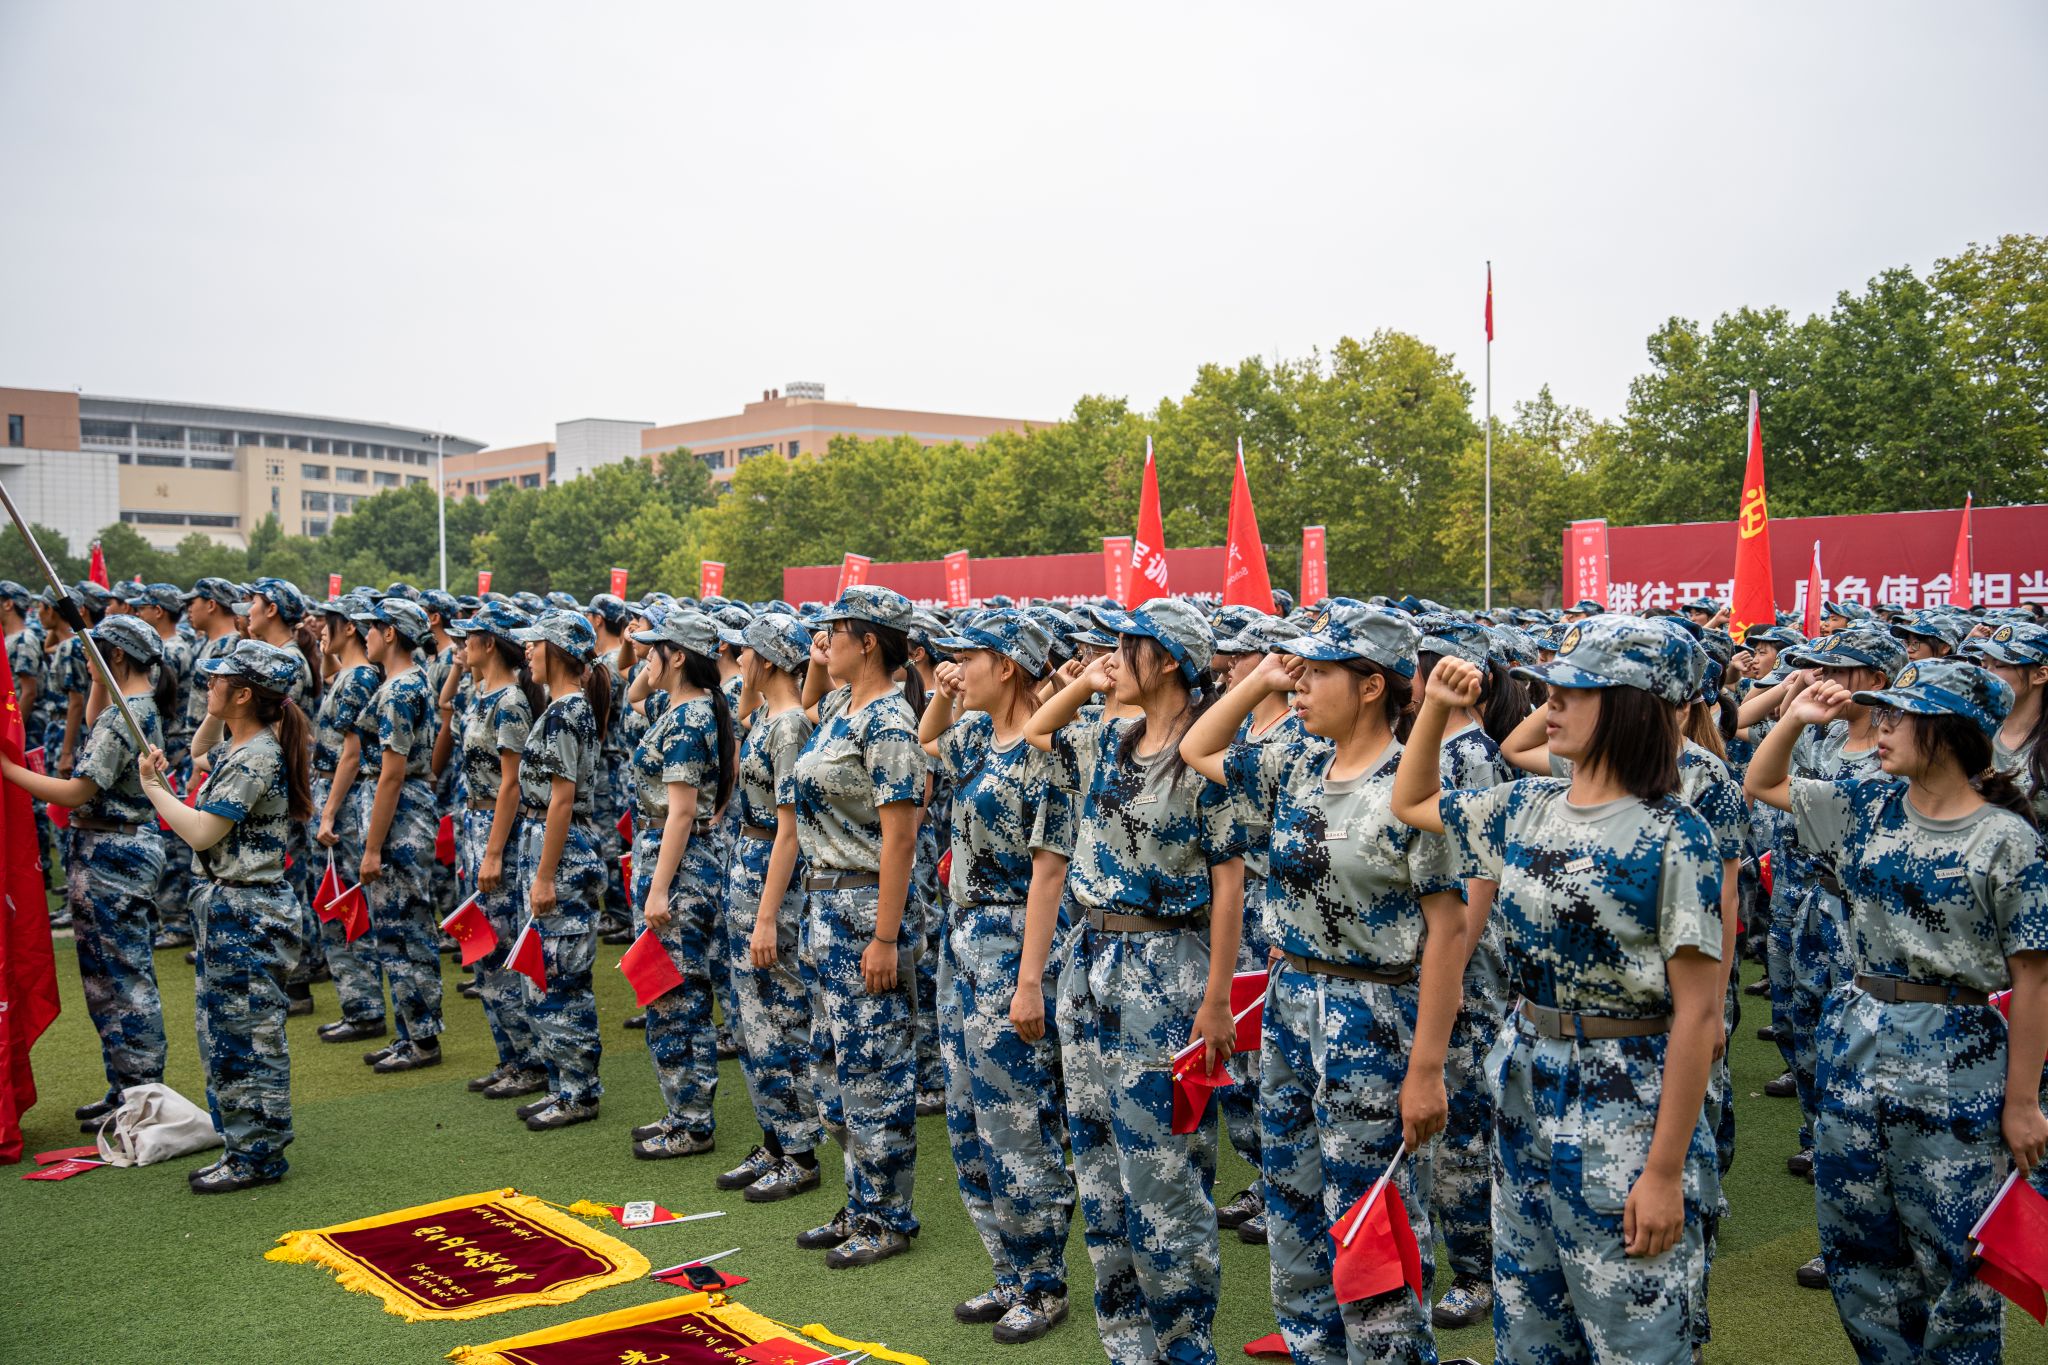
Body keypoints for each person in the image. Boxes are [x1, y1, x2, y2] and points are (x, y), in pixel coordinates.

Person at [1391, 614, 1724, 1365]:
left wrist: (1664, 1172)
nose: (1552, 703)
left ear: (1631, 706)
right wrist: (1435, 707)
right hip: (1529, 1082)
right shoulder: (1529, 805)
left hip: (1627, 1096)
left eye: (1575, 691)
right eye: (1549, 689)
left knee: (1637, 1333)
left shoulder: (1676, 835)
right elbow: (1412, 802)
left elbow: (1698, 1015)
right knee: (1530, 1326)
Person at [1183, 599, 1465, 1365]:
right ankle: (1313, 1349)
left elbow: (1448, 931)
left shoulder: (1412, 783)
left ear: (1371, 685)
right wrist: (1260, 679)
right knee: (1294, 1198)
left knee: (1371, 1214)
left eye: (1317, 672)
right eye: (1296, 671)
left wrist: (1427, 1068)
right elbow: (1200, 746)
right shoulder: (1298, 762)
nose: (1299, 686)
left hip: (1375, 1013)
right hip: (1291, 1000)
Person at [1744, 657, 2048, 1363]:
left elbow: (2035, 980)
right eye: (1881, 713)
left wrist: (2023, 1102)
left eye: (1900, 716)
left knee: (1956, 1261)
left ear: (1950, 730)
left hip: (1957, 1056)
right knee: (1857, 1249)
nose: (1881, 727)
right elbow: (1763, 781)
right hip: (1857, 1042)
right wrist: (1795, 717)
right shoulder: (1866, 805)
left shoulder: (2006, 839)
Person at [1024, 597, 1245, 1365]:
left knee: (1164, 1178)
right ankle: (1127, 1345)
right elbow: (1038, 730)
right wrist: (1089, 681)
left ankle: (1185, 1346)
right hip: (1090, 962)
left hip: (1166, 968)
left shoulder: (1205, 753)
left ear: (1173, 661)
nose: (1114, 656)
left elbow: (1228, 885)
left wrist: (1216, 999)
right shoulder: (1108, 738)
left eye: (1131, 645)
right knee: (1099, 1168)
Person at [919, 608, 1076, 1345]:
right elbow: (928, 743)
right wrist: (944, 692)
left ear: (1008, 665)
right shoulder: (977, 735)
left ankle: (1043, 1280)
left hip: (1014, 939)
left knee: (1017, 1119)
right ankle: (1009, 1269)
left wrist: (1030, 979)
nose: (956, 667)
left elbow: (1049, 872)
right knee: (967, 1117)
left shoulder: (1049, 750)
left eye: (969, 658)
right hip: (963, 939)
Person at [137, 639, 312, 1193]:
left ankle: (258, 1154)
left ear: (243, 695)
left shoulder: (257, 754)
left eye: (219, 681)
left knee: (248, 1038)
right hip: (230, 905)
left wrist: (152, 788)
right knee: (223, 1032)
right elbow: (199, 751)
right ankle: (242, 1143)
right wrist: (217, 714)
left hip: (248, 911)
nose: (207, 684)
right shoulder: (243, 745)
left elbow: (200, 831)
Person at [789, 586, 929, 1269]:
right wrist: (822, 658)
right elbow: (810, 693)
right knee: (833, 1068)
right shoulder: (845, 705)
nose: (823, 641)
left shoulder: (890, 723)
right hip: (824, 903)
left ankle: (885, 1214)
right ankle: (860, 1197)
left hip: (866, 906)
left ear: (868, 640)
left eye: (835, 630)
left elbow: (901, 838)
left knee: (874, 1069)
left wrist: (886, 936)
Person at [0, 616, 171, 1130]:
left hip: (113, 851)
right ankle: (124, 1088)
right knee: (104, 979)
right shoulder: (128, 707)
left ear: (116, 656)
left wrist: (8, 770)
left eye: (95, 652)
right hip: (108, 846)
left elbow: (78, 791)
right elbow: (96, 717)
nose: (85, 660)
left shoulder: (128, 714)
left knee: (123, 978)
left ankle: (142, 1095)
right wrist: (101, 676)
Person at [1204, 610, 1304, 1249]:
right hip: (1240, 909)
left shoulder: (1298, 731)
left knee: (1270, 1062)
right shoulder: (1242, 725)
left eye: (1240, 656)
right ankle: (1266, 1175)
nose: (1228, 668)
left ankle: (1285, 1184)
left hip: (1278, 907)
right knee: (1238, 1064)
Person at [717, 612, 824, 1203]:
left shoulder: (789, 727)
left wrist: (765, 916)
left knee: (781, 1015)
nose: (739, 662)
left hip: (771, 879)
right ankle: (775, 1137)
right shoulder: (766, 717)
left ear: (769, 660)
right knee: (753, 1018)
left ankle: (800, 1152)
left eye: (748, 653)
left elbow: (789, 830)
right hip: (749, 867)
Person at [623, 608, 735, 1159]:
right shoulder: (683, 707)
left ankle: (691, 1121)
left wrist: (659, 888)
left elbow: (683, 811)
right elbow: (633, 695)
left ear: (678, 658)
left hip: (679, 866)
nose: (645, 656)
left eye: (656, 648)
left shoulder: (690, 718)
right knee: (667, 990)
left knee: (677, 995)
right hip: (670, 858)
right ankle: (681, 1110)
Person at [509, 609, 612, 1130]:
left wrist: (546, 875)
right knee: (543, 973)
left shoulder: (567, 712)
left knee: (560, 975)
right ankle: (561, 1084)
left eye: (536, 644)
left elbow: (562, 800)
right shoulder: (561, 708)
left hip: (563, 853)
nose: (527, 651)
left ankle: (577, 1091)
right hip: (547, 844)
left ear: (559, 653)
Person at [445, 601, 546, 1099]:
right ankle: (510, 1056)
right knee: (482, 947)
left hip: (495, 826)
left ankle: (530, 1060)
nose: (462, 645)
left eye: (471, 637)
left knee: (501, 944)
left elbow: (512, 783)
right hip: (474, 822)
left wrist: (493, 853)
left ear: (490, 644)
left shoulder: (510, 701)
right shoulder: (482, 693)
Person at [342, 597, 446, 1072]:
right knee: (395, 929)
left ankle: (421, 1038)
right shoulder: (400, 682)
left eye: (373, 627)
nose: (364, 634)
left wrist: (371, 848)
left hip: (401, 816)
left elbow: (392, 774)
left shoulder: (401, 688)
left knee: (405, 928)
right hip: (400, 810)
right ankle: (410, 1032)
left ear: (390, 633)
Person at [310, 595, 389, 1044]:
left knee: (344, 904)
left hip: (343, 796)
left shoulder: (359, 677)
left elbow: (352, 753)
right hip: (331, 789)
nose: (322, 630)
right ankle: (357, 1005)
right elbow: (328, 675)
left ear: (350, 628)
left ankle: (364, 1009)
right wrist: (325, 650)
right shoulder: (348, 672)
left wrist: (328, 812)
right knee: (334, 902)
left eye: (329, 623)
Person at [1979, 621, 2048, 826]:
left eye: (2000, 665)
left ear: (2040, 675)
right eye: (1984, 665)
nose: (1987, 673)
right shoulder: (1976, 733)